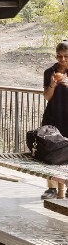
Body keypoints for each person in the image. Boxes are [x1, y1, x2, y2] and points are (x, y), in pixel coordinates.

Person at [40, 41, 68, 199]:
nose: (62, 60)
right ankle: (51, 188)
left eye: (66, 57)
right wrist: (52, 85)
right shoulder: (49, 72)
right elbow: (47, 97)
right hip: (52, 117)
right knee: (50, 151)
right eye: (59, 56)